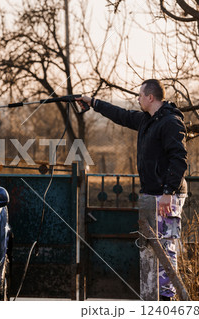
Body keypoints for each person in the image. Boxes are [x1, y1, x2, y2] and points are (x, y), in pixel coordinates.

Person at [77, 79, 188, 301]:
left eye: (140, 95)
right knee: (150, 249)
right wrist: (93, 102)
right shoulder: (147, 120)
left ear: (150, 97)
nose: (137, 98)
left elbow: (179, 159)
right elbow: (121, 115)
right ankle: (153, 298)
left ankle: (167, 300)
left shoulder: (170, 122)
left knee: (166, 247)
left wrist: (168, 192)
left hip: (167, 195)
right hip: (151, 195)